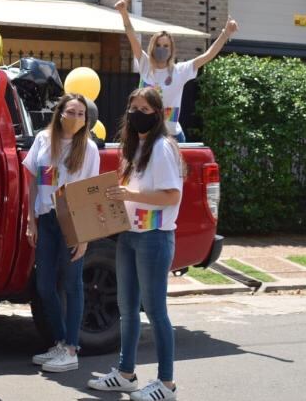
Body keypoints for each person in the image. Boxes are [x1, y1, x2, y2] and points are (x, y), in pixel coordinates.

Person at [87, 87, 184, 400]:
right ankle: (126, 374)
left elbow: (172, 196)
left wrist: (130, 196)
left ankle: (166, 384)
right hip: (129, 235)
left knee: (156, 312)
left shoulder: (162, 147)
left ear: (157, 115)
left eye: (145, 109)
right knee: (126, 310)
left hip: (154, 238)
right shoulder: (134, 147)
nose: (137, 114)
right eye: (133, 108)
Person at [24, 93, 101, 373]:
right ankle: (58, 342)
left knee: (72, 283)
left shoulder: (89, 148)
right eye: (72, 112)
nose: (77, 118)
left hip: (74, 222)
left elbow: (93, 193)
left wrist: (85, 235)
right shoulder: (44, 140)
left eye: (82, 114)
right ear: (60, 113)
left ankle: (71, 348)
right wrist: (30, 220)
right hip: (46, 219)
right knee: (44, 285)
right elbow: (32, 182)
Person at [115, 0, 239, 142]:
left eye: (166, 46)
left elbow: (208, 55)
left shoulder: (180, 71)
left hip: (172, 137)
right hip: (145, 134)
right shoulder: (145, 64)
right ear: (152, 47)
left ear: (172, 49)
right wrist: (123, 13)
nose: (162, 49)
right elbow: (132, 37)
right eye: (158, 45)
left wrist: (226, 33)